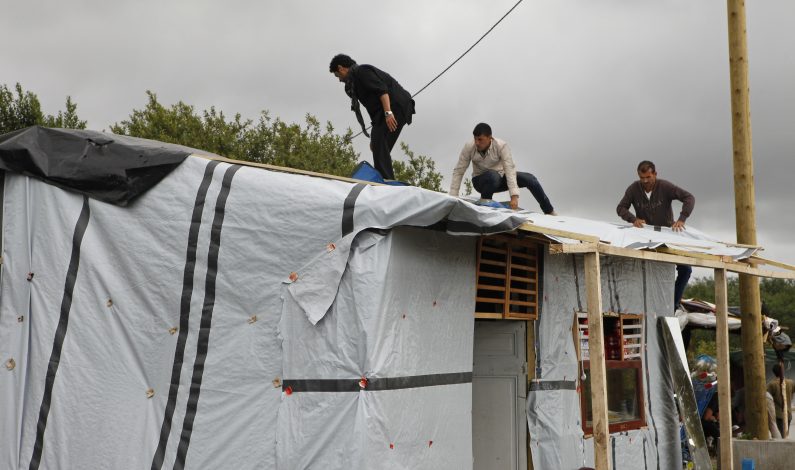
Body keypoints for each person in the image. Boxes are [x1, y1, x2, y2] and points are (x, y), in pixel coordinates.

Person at [616, 160, 695, 310]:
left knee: (686, 269)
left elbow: (689, 198)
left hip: (667, 236)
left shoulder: (665, 186)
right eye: (642, 178)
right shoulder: (633, 189)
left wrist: (682, 219)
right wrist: (633, 219)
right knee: (646, 270)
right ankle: (640, 305)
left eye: (648, 177)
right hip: (645, 238)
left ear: (655, 174)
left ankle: (673, 304)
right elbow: (620, 208)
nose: (645, 181)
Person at [329, 54, 415, 180]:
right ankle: (385, 177)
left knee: (379, 142)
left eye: (337, 75)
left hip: (396, 104)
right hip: (384, 110)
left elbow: (382, 91)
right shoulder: (354, 85)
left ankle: (385, 181)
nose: (339, 80)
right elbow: (372, 108)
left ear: (341, 68)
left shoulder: (362, 72)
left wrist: (388, 113)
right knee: (378, 145)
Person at [448, 123, 556, 214]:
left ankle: (549, 211)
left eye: (480, 139)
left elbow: (510, 169)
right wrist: (453, 198)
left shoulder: (501, 146)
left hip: (499, 178)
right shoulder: (469, 147)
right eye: (475, 139)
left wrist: (514, 196)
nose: (477, 143)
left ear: (490, 138)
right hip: (480, 181)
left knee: (530, 179)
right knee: (492, 176)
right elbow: (459, 170)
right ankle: (486, 204)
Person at [766, 364, 794, 435]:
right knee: (785, 434)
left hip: (778, 415)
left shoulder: (771, 384)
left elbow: (767, 397)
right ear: (783, 371)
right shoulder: (791, 382)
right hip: (789, 414)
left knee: (780, 435)